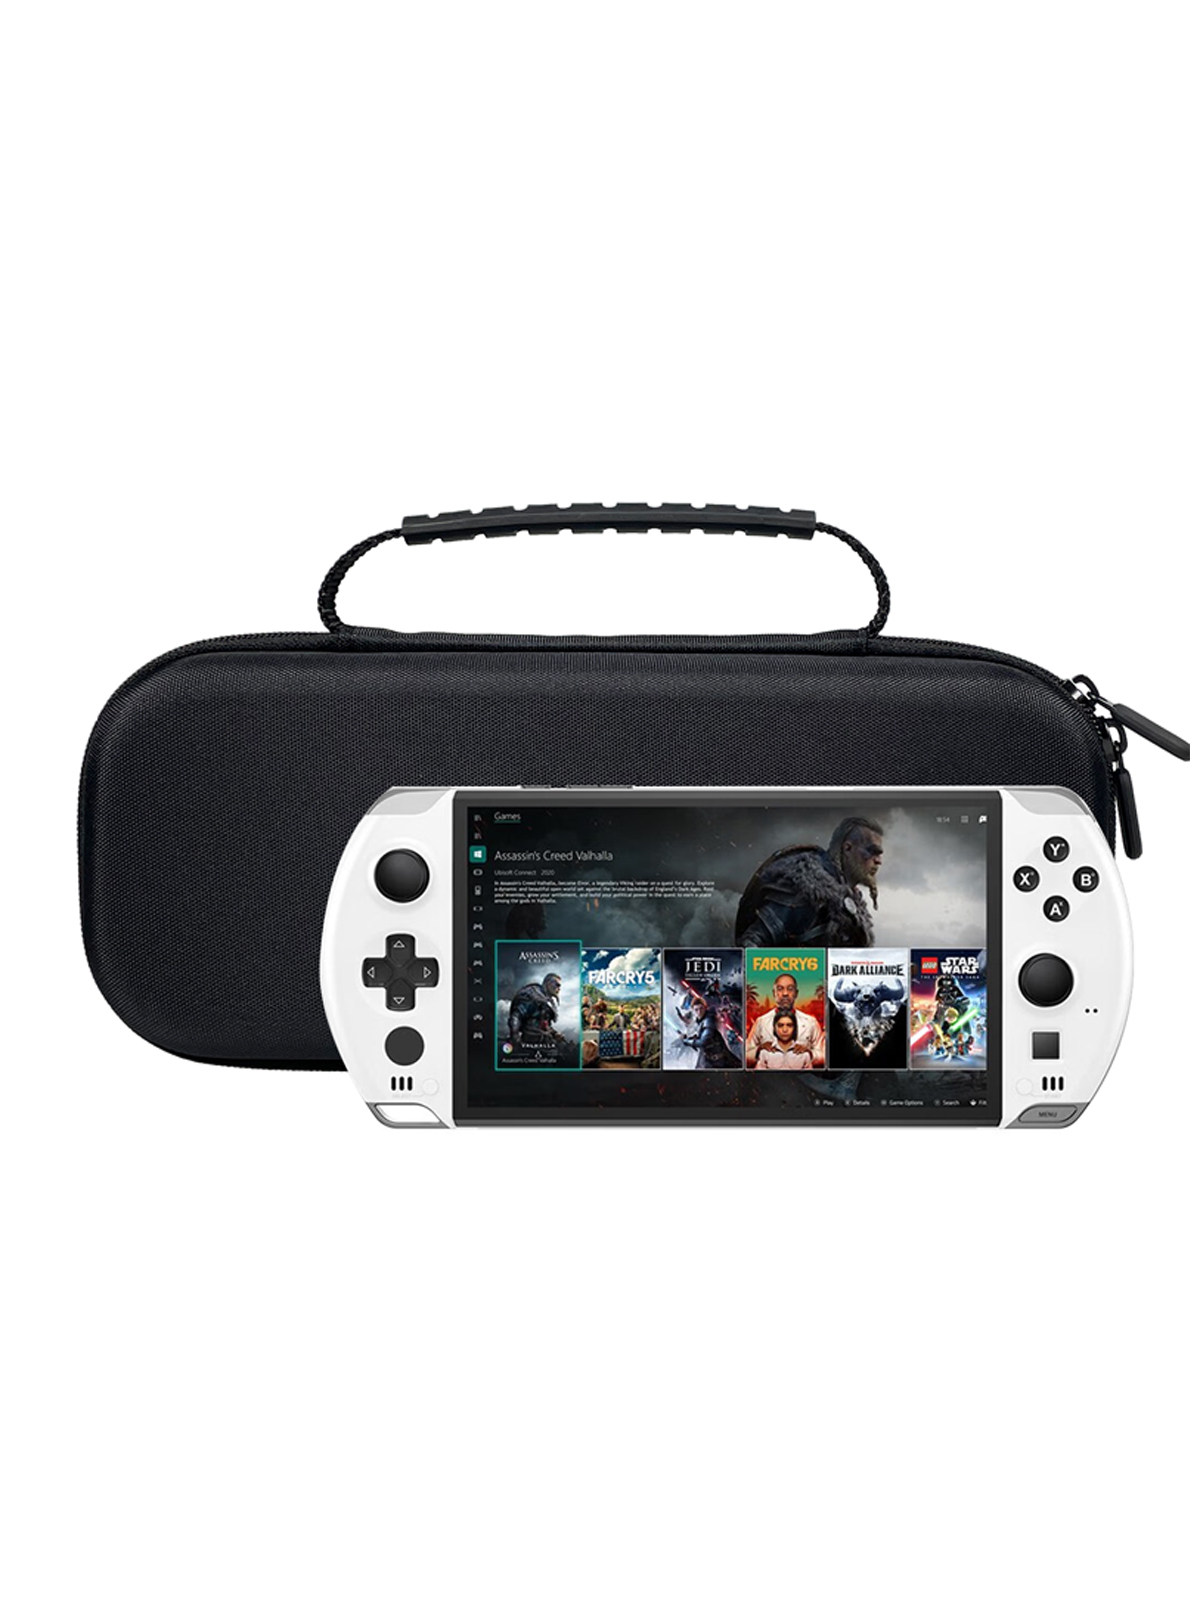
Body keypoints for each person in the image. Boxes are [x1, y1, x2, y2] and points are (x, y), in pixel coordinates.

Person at [736, 816, 885, 948]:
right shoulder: (805, 889)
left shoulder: (852, 900)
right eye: (872, 852)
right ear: (847, 848)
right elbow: (750, 944)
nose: (878, 861)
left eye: (879, 855)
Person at [747, 983, 824, 1069]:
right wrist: (758, 1050)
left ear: (796, 993)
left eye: (790, 989)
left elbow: (825, 1056)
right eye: (780, 989)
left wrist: (810, 1053)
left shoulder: (811, 1021)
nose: (785, 993)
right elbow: (744, 1055)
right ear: (774, 993)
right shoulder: (761, 1021)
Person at [755, 1009, 822, 1070]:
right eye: (780, 1025)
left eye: (789, 1025)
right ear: (774, 1028)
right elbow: (759, 1077)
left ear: (795, 1028)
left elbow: (809, 1077)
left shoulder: (804, 1054)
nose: (785, 1030)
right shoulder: (765, 1053)